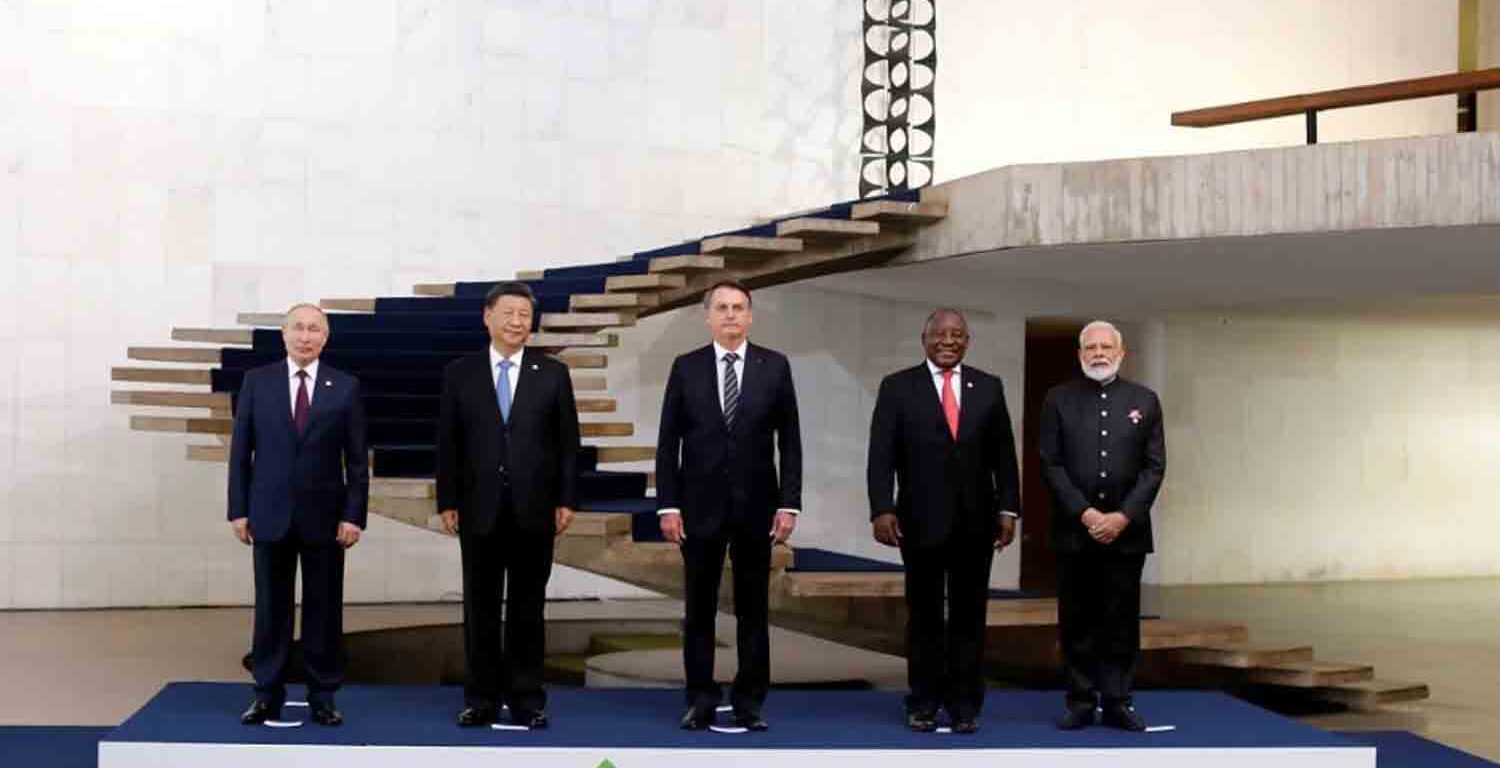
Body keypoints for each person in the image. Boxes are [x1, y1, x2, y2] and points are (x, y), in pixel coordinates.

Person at [655, 279, 802, 732]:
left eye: (739, 307)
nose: (731, 315)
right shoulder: (686, 367)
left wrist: (789, 504)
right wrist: (667, 505)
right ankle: (700, 697)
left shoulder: (775, 367)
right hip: (698, 508)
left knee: (753, 609)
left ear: (751, 315)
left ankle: (750, 700)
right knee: (698, 608)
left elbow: (790, 442)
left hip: (758, 509)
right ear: (708, 316)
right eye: (722, 307)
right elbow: (668, 443)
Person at [867, 308, 1020, 734]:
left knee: (971, 615)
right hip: (919, 522)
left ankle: (965, 705)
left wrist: (1009, 509)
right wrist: (882, 508)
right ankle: (923, 703)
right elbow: (882, 454)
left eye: (956, 335)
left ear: (967, 341)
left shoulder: (989, 388)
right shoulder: (898, 387)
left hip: (978, 522)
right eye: (939, 334)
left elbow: (1004, 456)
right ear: (924, 339)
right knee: (925, 615)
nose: (948, 341)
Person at [437, 281, 580, 729]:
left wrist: (567, 498)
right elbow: (448, 444)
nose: (517, 322)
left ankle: (526, 699)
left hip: (534, 508)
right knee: (478, 607)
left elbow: (568, 444)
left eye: (525, 315)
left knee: (526, 606)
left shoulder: (553, 373)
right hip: (477, 507)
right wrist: (448, 499)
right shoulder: (460, 373)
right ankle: (480, 698)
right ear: (488, 317)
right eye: (509, 313)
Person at [228, 303, 368, 727]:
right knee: (271, 609)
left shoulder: (344, 387)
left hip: (326, 518)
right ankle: (266, 692)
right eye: (298, 328)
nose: (306, 336)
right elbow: (240, 453)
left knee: (324, 610)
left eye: (315, 330)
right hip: (268, 514)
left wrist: (354, 515)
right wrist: (238, 509)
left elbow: (357, 461)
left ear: (325, 338)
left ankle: (323, 694)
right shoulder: (257, 382)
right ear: (284, 334)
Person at [1039, 320, 1165, 732]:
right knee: (1076, 620)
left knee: (1121, 622)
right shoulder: (1057, 400)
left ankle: (1117, 701)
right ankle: (1079, 700)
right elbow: (1050, 464)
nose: (1098, 353)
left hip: (1127, 534)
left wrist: (1122, 516)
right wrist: (1087, 513)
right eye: (1090, 347)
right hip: (1075, 532)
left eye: (1105, 347)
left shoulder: (1145, 400)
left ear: (1121, 353)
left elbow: (1154, 466)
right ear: (1079, 355)